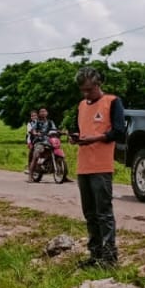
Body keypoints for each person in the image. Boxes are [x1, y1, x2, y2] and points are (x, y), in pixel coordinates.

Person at [69, 67, 126, 268]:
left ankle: (109, 257)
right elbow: (80, 128)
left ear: (98, 84)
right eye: (83, 90)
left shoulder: (112, 102)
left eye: (89, 89)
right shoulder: (82, 105)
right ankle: (95, 254)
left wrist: (97, 138)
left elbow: (119, 132)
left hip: (101, 165)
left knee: (104, 212)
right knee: (89, 213)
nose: (86, 94)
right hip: (83, 165)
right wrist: (75, 137)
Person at [26, 107, 59, 181]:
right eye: (41, 111)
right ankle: (30, 175)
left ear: (47, 113)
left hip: (49, 141)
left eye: (44, 111)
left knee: (58, 152)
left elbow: (55, 129)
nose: (43, 113)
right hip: (39, 141)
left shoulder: (50, 122)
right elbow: (33, 130)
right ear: (39, 114)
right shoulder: (37, 122)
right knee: (36, 155)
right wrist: (35, 133)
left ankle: (63, 174)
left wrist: (61, 132)